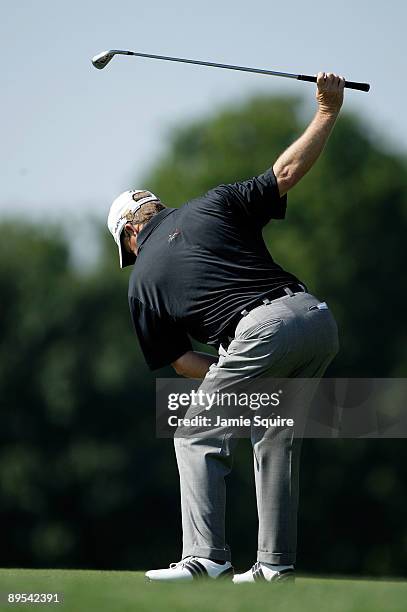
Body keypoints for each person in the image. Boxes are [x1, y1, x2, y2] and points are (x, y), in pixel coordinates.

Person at [107, 72, 344, 583]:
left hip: (260, 332)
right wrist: (327, 111)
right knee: (276, 438)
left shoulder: (140, 284)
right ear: (155, 209)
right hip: (317, 319)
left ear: (129, 233)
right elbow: (284, 173)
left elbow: (182, 362)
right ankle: (273, 569)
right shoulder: (214, 203)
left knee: (195, 433)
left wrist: (233, 369)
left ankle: (207, 557)